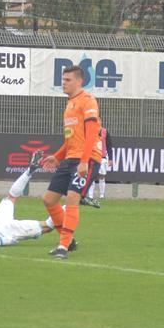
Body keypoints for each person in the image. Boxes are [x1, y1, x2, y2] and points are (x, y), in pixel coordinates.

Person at [40, 65, 103, 259]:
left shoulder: (87, 100)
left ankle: (63, 246)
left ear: (79, 81)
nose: (63, 83)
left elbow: (93, 132)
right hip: (69, 159)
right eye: (63, 79)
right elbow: (70, 139)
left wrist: (84, 161)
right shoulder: (69, 105)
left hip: (87, 158)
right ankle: (69, 241)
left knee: (73, 197)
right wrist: (58, 156)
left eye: (68, 80)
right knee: (49, 199)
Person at [94, 124, 113, 201]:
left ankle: (102, 195)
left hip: (102, 157)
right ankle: (90, 195)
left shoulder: (105, 132)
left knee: (101, 176)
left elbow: (109, 146)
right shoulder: (89, 131)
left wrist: (110, 159)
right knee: (91, 176)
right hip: (92, 157)